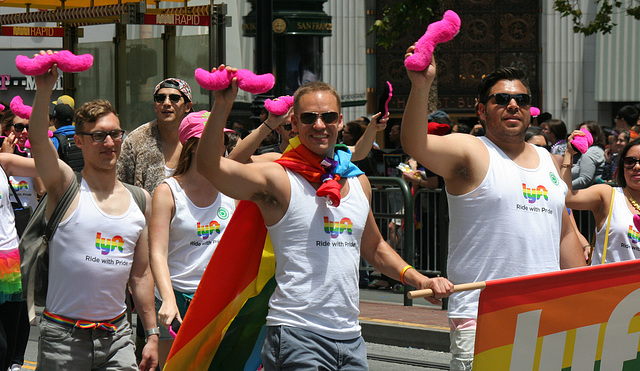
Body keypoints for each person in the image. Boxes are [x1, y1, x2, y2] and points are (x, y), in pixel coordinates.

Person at [196, 65, 454, 369]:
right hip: (296, 334)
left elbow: (374, 248)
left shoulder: (358, 182)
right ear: (293, 123)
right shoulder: (279, 178)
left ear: (340, 121)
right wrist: (222, 104)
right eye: (308, 118)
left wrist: (418, 279)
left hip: (351, 338)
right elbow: (211, 168)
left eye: (328, 117)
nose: (320, 125)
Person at [400, 55, 586, 369]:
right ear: (482, 111)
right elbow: (415, 144)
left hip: (547, 315)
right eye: (501, 99)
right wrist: (422, 85)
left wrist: (583, 300)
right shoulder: (471, 150)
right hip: (482, 315)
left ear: (530, 110)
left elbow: (564, 233)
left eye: (521, 99)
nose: (513, 105)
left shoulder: (549, 161)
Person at [29, 51, 158, 371]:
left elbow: (141, 274)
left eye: (115, 133)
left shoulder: (140, 200)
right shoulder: (64, 186)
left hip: (117, 337)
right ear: (81, 142)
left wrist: (153, 333)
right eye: (98, 135)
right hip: (63, 338)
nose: (109, 142)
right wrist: (44, 89)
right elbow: (38, 143)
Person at [149, 111, 237, 368]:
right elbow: (157, 252)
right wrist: (167, 298)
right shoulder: (168, 191)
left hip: (217, 301)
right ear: (193, 146)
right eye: (213, 139)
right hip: (174, 300)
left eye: (223, 140)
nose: (221, 146)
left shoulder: (232, 188)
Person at [561, 134, 640, 264]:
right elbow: (567, 198)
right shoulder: (607, 194)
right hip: (610, 283)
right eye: (630, 162)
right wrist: (569, 154)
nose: (636, 167)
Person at [117, 78, 193, 194]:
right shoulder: (136, 140)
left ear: (187, 106)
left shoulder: (198, 139)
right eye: (160, 98)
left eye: (174, 98)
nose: (166, 103)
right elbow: (120, 185)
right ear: (155, 105)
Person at [0, 153, 38, 371]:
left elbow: (49, 169)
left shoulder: (3, 162)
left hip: (9, 260)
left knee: (11, 343)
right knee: (1, 346)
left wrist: (38, 135)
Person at [570, 121, 606, 190]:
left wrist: (563, 188)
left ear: (594, 135)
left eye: (583, 132)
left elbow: (585, 179)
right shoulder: (595, 150)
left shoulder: (591, 152)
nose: (579, 135)